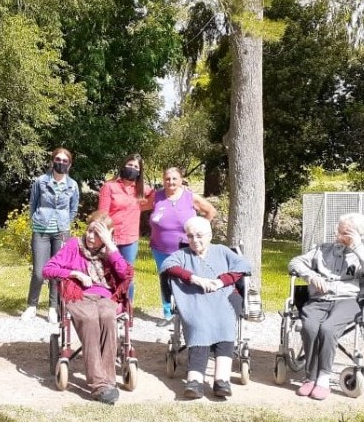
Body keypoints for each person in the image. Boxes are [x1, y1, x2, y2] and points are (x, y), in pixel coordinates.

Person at [288, 212, 364, 401]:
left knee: (328, 329)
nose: (338, 236)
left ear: (357, 234)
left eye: (344, 233)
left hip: (349, 300)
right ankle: (310, 377)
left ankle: (323, 376)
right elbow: (295, 262)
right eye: (338, 231)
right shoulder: (323, 249)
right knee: (310, 326)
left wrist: (356, 247)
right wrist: (311, 276)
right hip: (320, 298)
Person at [42, 211, 132, 404]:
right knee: (90, 319)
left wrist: (110, 246)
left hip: (104, 295)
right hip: (78, 294)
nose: (91, 236)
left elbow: (125, 274)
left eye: (98, 234)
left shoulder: (109, 252)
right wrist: (74, 273)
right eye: (90, 231)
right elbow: (47, 269)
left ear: (107, 236)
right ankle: (98, 385)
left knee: (108, 316)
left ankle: (109, 380)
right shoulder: (75, 245)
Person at [161, 216, 251, 400]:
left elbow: (243, 265)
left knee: (225, 320)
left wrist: (220, 281)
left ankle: (221, 380)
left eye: (199, 235)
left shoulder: (222, 251)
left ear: (210, 235)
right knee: (198, 323)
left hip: (225, 295)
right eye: (190, 236)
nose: (195, 240)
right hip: (195, 298)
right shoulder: (183, 254)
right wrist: (194, 278)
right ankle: (194, 380)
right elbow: (167, 265)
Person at [148, 167, 217, 325]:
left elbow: (210, 211)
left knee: (188, 279)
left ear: (180, 180)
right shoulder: (157, 196)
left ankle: (190, 313)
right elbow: (137, 206)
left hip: (186, 247)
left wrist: (201, 229)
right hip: (160, 247)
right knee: (165, 280)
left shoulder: (190, 197)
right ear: (163, 180)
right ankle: (169, 314)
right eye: (167, 179)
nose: (170, 182)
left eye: (174, 179)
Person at [22, 147, 80, 324]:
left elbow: (73, 209)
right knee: (39, 272)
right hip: (41, 231)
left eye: (65, 161)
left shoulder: (72, 185)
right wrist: (36, 220)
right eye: (58, 160)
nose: (61, 163)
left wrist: (65, 224)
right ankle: (31, 306)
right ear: (52, 161)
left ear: (69, 165)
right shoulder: (40, 182)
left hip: (61, 233)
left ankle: (53, 308)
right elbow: (33, 203)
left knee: (57, 272)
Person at [97, 153, 152, 300]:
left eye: (136, 167)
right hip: (111, 237)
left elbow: (156, 197)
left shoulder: (141, 189)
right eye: (129, 165)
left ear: (139, 171)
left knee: (127, 275)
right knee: (109, 273)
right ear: (123, 166)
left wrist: (142, 207)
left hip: (130, 239)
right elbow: (102, 214)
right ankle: (108, 305)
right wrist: (105, 236)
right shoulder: (109, 187)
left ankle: (127, 308)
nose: (132, 168)